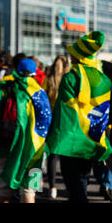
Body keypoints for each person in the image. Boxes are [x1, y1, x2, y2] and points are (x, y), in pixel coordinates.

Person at [46, 31, 111, 203]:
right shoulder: (104, 80)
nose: (70, 56)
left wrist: (53, 139)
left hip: (72, 142)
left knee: (75, 188)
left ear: (79, 56)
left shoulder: (70, 78)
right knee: (81, 182)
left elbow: (63, 114)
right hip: (92, 140)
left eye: (73, 53)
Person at [0, 58, 52, 203]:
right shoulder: (39, 92)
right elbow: (47, 120)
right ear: (33, 73)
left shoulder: (4, 87)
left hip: (6, 143)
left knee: (3, 187)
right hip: (34, 148)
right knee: (30, 189)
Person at [41, 54, 70, 199]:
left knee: (52, 156)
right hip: (65, 121)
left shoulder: (48, 80)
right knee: (66, 156)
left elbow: (42, 100)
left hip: (50, 121)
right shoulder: (69, 80)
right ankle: (70, 186)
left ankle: (52, 187)